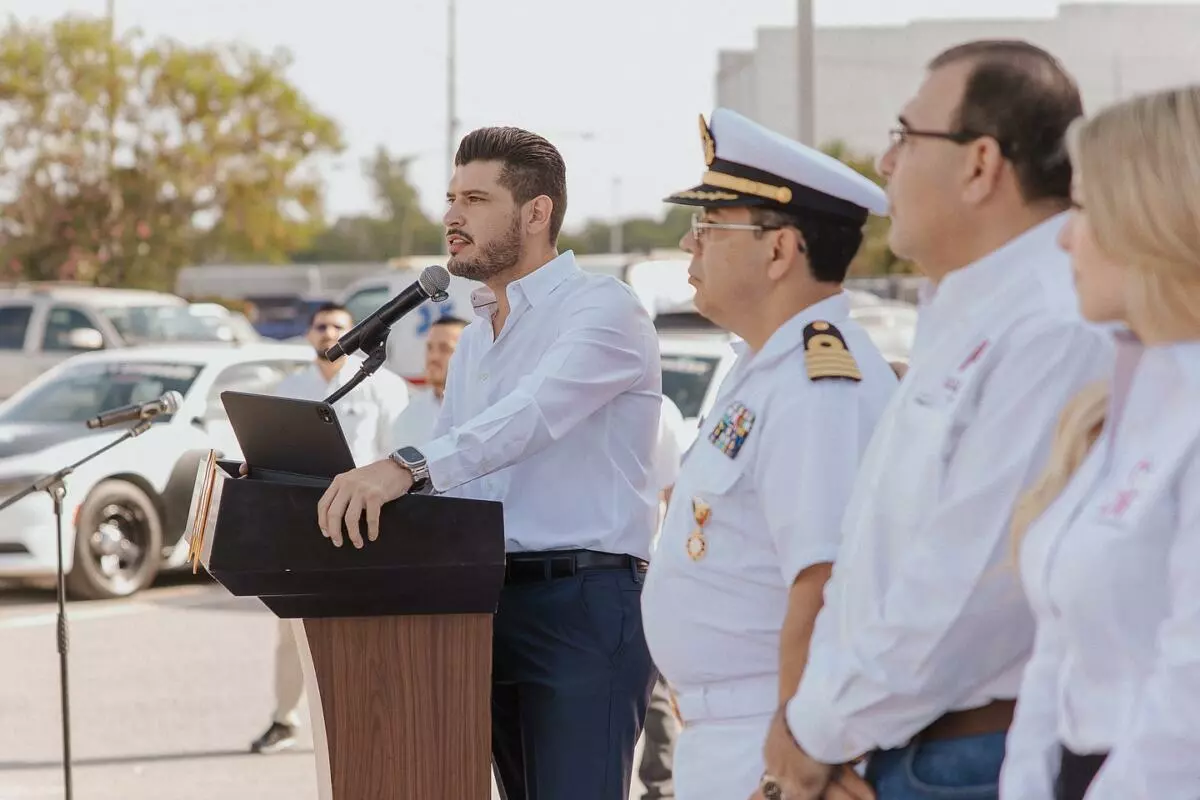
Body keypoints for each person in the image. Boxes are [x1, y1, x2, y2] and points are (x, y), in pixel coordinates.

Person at [760, 40, 1114, 799]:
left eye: (904, 136)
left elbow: (965, 590)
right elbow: (881, 566)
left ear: (981, 163)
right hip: (895, 748)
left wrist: (814, 734)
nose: (885, 164)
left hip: (968, 757)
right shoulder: (974, 310)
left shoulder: (1053, 324)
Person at [314, 126, 662, 800]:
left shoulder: (602, 308)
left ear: (538, 213)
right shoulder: (477, 340)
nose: (451, 216)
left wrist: (403, 467)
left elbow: (529, 417)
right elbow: (460, 483)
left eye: (475, 198)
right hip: (484, 602)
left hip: (583, 604)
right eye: (450, 198)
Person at [639, 108, 898, 800]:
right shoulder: (766, 369)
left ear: (779, 251)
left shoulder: (820, 386)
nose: (689, 247)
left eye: (709, 226)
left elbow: (825, 584)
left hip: (769, 738)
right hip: (731, 735)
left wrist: (793, 756)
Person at [1000, 85, 1200, 800]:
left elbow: (1190, 700)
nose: (1063, 235)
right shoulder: (1129, 400)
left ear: (1152, 218)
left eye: (1081, 208)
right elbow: (1058, 648)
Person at [249, 302, 411, 754]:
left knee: (361, 632)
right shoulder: (291, 387)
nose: (329, 333)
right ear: (308, 334)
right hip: (303, 525)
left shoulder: (384, 386)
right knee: (293, 628)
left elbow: (395, 458)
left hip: (364, 525)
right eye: (321, 326)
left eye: (339, 326)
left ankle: (364, 723)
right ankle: (284, 718)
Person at [391, 315, 468, 446]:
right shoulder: (411, 413)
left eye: (445, 349)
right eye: (430, 348)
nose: (433, 357)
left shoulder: (485, 408)